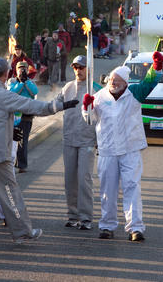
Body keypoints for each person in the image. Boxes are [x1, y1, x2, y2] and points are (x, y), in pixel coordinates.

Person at [0, 57, 79, 249]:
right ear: (7, 74)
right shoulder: (2, 95)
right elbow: (33, 106)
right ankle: (23, 233)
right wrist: (59, 106)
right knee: (10, 194)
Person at [82, 51, 163, 242]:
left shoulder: (134, 93)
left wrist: (157, 66)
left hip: (130, 149)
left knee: (131, 187)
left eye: (118, 80)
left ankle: (135, 228)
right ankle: (107, 226)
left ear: (126, 83)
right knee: (107, 190)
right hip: (107, 150)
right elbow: (89, 120)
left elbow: (149, 82)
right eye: (112, 79)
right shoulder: (99, 96)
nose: (114, 82)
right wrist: (86, 107)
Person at [56, 55, 101, 230]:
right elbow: (54, 104)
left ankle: (85, 218)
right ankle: (72, 215)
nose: (78, 70)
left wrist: (100, 141)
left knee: (84, 179)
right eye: (75, 67)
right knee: (70, 180)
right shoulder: (67, 87)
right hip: (69, 139)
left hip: (87, 140)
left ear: (89, 69)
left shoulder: (97, 90)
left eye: (81, 67)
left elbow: (103, 117)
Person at [7, 61, 38, 173]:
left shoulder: (30, 82)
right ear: (16, 69)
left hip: (26, 116)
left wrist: (26, 82)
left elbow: (34, 92)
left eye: (24, 68)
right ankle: (11, 164)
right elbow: (11, 92)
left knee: (22, 141)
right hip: (14, 115)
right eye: (20, 68)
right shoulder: (12, 81)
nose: (22, 70)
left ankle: (22, 165)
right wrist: (20, 83)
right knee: (12, 140)